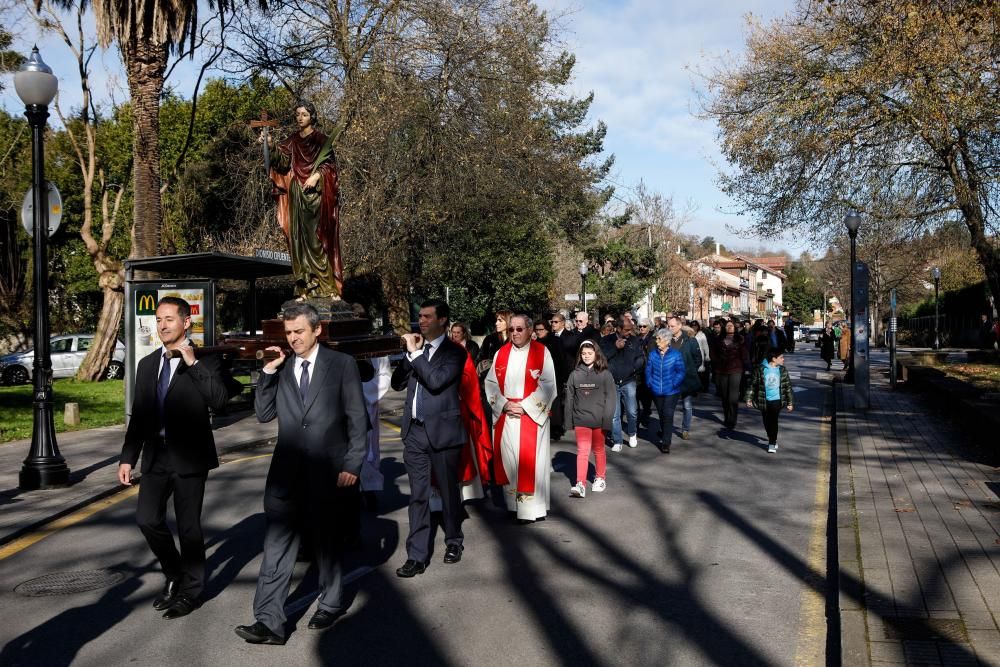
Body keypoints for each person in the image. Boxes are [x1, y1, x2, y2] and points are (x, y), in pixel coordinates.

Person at [235, 303, 368, 645]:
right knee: (277, 546)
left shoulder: (341, 365)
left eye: (299, 332)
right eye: (289, 332)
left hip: (329, 471)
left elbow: (357, 419)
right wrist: (266, 373)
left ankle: (332, 601)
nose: (293, 338)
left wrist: (352, 464)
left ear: (316, 330)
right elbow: (264, 414)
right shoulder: (280, 369)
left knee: (327, 543)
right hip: (286, 475)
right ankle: (269, 621)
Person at [118, 297, 232, 620]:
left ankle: (191, 592)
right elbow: (139, 416)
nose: (162, 325)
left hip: (190, 457)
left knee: (189, 527)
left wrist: (193, 364)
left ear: (186, 323)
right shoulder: (147, 364)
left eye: (169, 319)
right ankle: (175, 573)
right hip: (156, 456)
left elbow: (221, 401)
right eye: (158, 319)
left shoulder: (206, 360)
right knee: (146, 518)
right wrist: (128, 457)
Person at [390, 299, 469, 576]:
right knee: (418, 497)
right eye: (420, 316)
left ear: (443, 320)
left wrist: (416, 355)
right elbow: (396, 383)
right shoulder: (416, 351)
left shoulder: (454, 352)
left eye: (427, 317)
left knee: (448, 492)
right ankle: (417, 555)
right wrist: (408, 356)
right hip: (414, 432)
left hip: (443, 433)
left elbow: (436, 382)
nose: (421, 321)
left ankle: (453, 540)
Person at [265, 101, 342, 299]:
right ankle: (305, 288)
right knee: (298, 241)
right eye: (297, 114)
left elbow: (330, 167)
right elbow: (282, 164)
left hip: (315, 196)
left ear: (312, 117)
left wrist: (317, 176)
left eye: (304, 114)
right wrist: (272, 145)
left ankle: (328, 287)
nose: (300, 117)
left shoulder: (321, 140)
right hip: (296, 193)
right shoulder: (292, 140)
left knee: (316, 240)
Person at [485, 314, 557, 523]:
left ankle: (531, 509)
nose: (514, 333)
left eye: (519, 329)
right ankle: (513, 506)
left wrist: (525, 407)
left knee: (530, 463)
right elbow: (490, 383)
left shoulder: (541, 352)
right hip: (507, 415)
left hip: (531, 418)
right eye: (511, 330)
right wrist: (504, 404)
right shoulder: (501, 353)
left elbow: (549, 384)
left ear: (529, 330)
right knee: (509, 461)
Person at [564, 340, 616, 497]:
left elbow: (611, 399)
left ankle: (600, 478)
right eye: (583, 353)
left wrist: (607, 420)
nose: (586, 356)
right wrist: (568, 421)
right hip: (581, 419)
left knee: (599, 450)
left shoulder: (605, 374)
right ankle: (580, 483)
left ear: (596, 354)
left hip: (599, 420)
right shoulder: (574, 375)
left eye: (589, 353)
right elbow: (569, 399)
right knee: (583, 451)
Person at [600, 318, 645, 451]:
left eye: (631, 329)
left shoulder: (635, 340)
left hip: (629, 380)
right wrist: (615, 347)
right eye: (626, 329)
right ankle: (617, 440)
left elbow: (641, 358)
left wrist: (633, 369)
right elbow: (602, 358)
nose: (629, 332)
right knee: (615, 414)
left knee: (632, 411)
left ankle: (632, 433)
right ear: (618, 329)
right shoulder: (607, 340)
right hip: (612, 381)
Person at [745, 348, 794, 453]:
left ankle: (772, 442)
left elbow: (788, 387)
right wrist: (749, 398)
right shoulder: (760, 370)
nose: (783, 359)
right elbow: (752, 385)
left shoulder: (782, 370)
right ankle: (771, 436)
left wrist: (790, 402)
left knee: (773, 421)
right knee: (766, 421)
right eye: (781, 357)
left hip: (777, 400)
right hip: (763, 400)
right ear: (773, 359)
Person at [644, 328, 686, 453]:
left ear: (667, 341)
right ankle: (664, 432)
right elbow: (648, 370)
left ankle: (666, 442)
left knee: (668, 413)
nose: (657, 342)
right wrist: (649, 382)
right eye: (656, 338)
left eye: (659, 339)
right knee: (662, 414)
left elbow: (681, 371)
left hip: (671, 391)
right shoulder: (652, 354)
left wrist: (674, 383)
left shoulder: (676, 354)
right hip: (656, 390)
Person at [667, 316, 703, 441]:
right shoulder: (666, 340)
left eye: (672, 326)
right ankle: (666, 429)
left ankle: (685, 429)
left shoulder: (690, 341)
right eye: (668, 326)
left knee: (687, 405)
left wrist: (690, 369)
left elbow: (698, 358)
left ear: (679, 326)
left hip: (686, 378)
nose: (669, 328)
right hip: (671, 379)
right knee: (669, 406)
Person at [533, 318, 569, 440]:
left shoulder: (556, 341)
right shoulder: (535, 343)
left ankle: (556, 428)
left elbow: (563, 360)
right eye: (536, 330)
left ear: (547, 329)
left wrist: (564, 377)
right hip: (539, 378)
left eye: (541, 329)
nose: (538, 332)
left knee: (555, 403)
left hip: (555, 376)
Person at [712, 319, 748, 436]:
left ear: (735, 327)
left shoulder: (740, 339)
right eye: (727, 326)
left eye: (731, 326)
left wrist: (746, 367)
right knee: (724, 395)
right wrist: (717, 361)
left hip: (736, 369)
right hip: (721, 370)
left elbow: (744, 354)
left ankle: (732, 419)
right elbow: (713, 353)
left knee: (732, 397)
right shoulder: (718, 340)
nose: (729, 327)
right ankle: (727, 416)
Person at [636, 318, 655, 426]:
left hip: (648, 371)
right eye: (640, 326)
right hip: (637, 371)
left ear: (649, 327)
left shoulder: (653, 340)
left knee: (647, 396)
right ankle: (638, 418)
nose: (641, 328)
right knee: (637, 395)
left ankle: (646, 413)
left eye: (644, 326)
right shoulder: (636, 339)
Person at [691, 320, 711, 394]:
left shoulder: (702, 335)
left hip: (700, 354)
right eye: (692, 326)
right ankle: (695, 387)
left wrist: (707, 355)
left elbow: (705, 346)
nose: (694, 327)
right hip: (692, 355)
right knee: (693, 372)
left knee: (701, 372)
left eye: (695, 326)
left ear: (698, 327)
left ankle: (703, 387)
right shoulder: (689, 334)